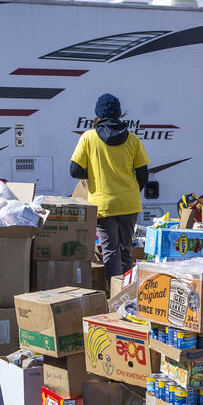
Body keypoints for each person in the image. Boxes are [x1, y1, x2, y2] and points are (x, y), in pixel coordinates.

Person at [69, 93, 149, 277]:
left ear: (98, 114)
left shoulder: (88, 138)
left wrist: (94, 174)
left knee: (111, 252)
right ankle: (129, 294)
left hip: (104, 204)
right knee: (126, 251)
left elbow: (74, 170)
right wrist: (133, 191)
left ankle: (116, 295)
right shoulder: (133, 139)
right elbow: (143, 173)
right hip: (129, 203)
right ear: (119, 114)